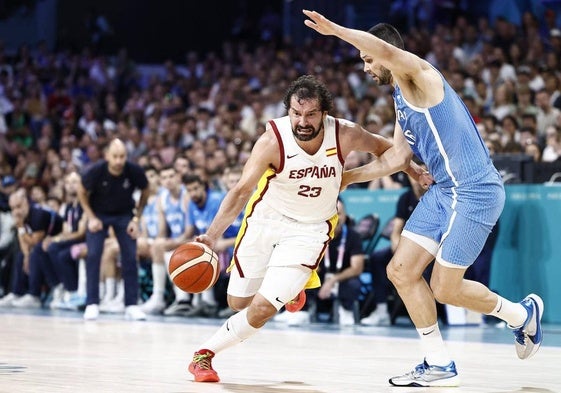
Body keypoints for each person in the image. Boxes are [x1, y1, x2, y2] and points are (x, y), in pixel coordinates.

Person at [303, 10, 544, 387]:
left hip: (475, 192)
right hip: (444, 192)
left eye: (368, 59)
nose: (365, 68)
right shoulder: (401, 96)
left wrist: (337, 31)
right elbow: (398, 158)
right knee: (400, 270)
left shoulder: (420, 75)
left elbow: (380, 48)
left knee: (445, 288)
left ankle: (520, 315)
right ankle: (438, 363)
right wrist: (346, 179)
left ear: (386, 53)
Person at [187, 75, 429, 383]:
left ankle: (204, 355)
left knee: (261, 309)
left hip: (310, 230)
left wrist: (415, 171)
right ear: (288, 110)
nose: (302, 121)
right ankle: (291, 288)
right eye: (296, 113)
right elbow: (240, 191)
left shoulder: (344, 133)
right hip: (266, 220)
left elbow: (387, 149)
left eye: (311, 114)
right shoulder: (272, 140)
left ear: (324, 113)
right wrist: (211, 236)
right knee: (238, 303)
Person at [77, 138, 150, 321]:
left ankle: (131, 305)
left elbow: (146, 189)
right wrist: (91, 217)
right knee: (93, 254)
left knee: (130, 256)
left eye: (122, 156)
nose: (119, 161)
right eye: (115, 156)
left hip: (124, 214)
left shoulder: (133, 171)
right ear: (107, 156)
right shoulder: (96, 171)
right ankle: (92, 303)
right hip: (99, 214)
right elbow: (81, 191)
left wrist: (136, 218)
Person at [361, 163, 428, 326]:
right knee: (378, 258)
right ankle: (382, 310)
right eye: (413, 176)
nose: (416, 180)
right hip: (406, 247)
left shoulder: (436, 197)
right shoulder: (405, 197)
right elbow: (396, 230)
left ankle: (424, 313)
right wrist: (398, 247)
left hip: (428, 249)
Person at [0, 188, 63, 308]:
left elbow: (34, 241)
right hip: (44, 244)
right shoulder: (22, 216)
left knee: (36, 252)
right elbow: (23, 241)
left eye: (18, 206)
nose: (16, 211)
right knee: (21, 255)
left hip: (59, 240)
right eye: (12, 208)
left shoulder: (38, 214)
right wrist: (26, 256)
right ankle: (16, 292)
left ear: (25, 202)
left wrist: (20, 227)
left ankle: (35, 295)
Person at [315, 197, 365, 326]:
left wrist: (332, 280)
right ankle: (301, 311)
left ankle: (346, 310)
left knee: (353, 283)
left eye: (339, 213)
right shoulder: (316, 234)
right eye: (332, 214)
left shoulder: (354, 236)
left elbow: (357, 268)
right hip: (321, 277)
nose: (336, 218)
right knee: (302, 276)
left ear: (345, 216)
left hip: (342, 278)